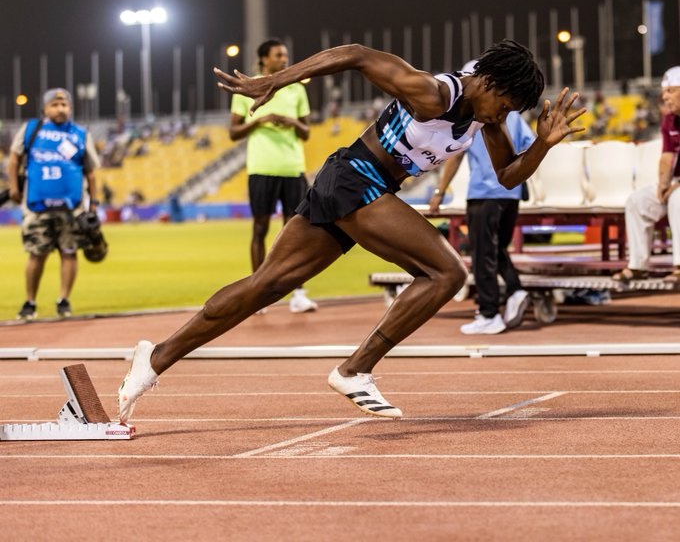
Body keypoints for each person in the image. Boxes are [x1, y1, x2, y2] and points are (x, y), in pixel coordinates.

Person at [118, 40, 584, 422]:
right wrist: (277, 80)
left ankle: (154, 358)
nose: (500, 116)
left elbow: (507, 175)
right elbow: (358, 54)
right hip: (356, 178)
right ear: (490, 82)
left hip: (353, 183)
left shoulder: (488, 117)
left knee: (267, 285)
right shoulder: (434, 93)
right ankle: (354, 369)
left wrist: (542, 143)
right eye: (504, 104)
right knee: (445, 272)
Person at [429, 100, 536, 335]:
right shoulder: (515, 115)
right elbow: (529, 146)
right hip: (511, 191)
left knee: (482, 253)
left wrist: (440, 190)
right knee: (496, 249)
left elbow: (455, 156)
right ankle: (514, 289)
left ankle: (489, 314)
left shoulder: (475, 116)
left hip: (483, 191)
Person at [229, 38, 318, 314]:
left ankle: (298, 294)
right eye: (279, 55)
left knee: (296, 232)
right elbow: (233, 132)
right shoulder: (248, 88)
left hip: (292, 167)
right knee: (260, 229)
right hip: (262, 168)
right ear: (264, 59)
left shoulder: (295, 88)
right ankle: (257, 294)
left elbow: (306, 132)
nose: (284, 59)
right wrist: (259, 121)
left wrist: (292, 122)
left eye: (285, 55)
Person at [7, 88, 100, 319]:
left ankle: (64, 301)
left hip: (72, 208)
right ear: (45, 109)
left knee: (69, 252)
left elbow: (91, 173)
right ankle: (30, 302)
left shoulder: (80, 134)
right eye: (55, 104)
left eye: (65, 105)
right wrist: (13, 187)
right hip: (37, 205)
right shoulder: (31, 129)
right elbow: (14, 159)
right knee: (36, 254)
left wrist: (94, 204)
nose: (61, 109)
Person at [613, 66, 680, 284]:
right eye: (664, 91)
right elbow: (667, 155)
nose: (664, 96)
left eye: (670, 90)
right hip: (676, 182)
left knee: (678, 200)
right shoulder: (669, 119)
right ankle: (638, 266)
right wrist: (663, 184)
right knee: (637, 201)